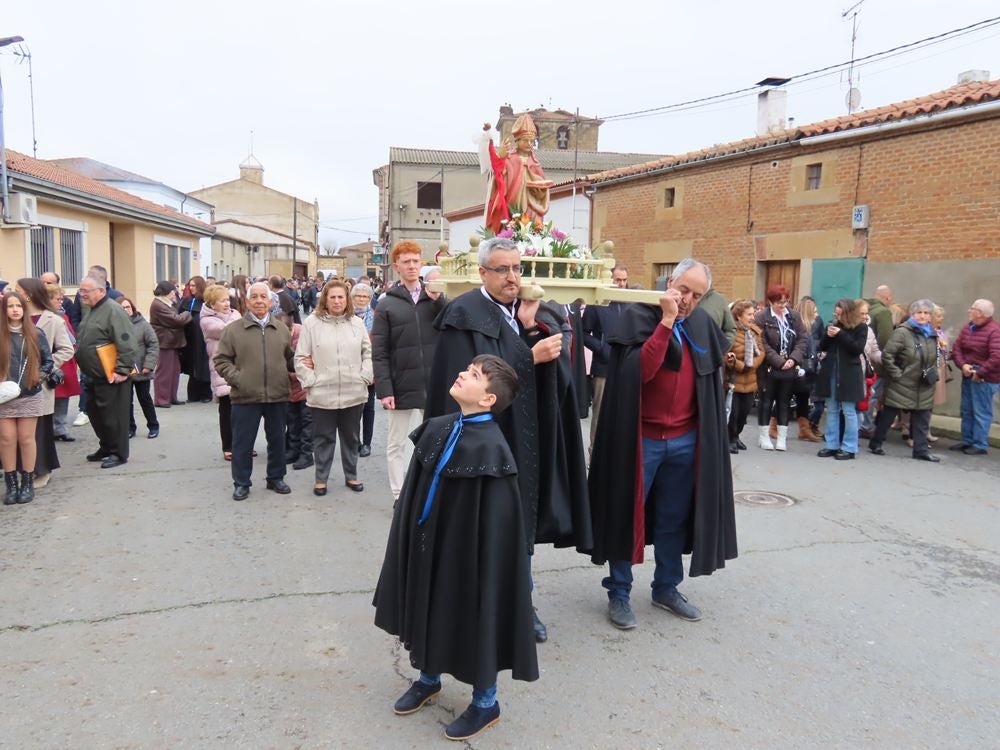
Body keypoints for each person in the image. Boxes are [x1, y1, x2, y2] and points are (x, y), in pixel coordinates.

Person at [426, 236, 592, 644]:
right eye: (502, 269)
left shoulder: (531, 314)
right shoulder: (462, 314)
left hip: (523, 441)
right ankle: (474, 609)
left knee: (519, 525)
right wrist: (529, 355)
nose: (512, 277)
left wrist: (534, 331)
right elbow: (468, 380)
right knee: (481, 528)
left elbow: (557, 381)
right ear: (483, 273)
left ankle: (522, 605)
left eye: (517, 268)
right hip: (480, 445)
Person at [373, 355, 536, 742]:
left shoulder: (494, 451)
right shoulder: (439, 428)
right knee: (428, 602)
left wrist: (480, 564)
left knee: (473, 613)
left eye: (475, 375)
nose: (463, 373)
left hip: (469, 554)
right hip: (429, 541)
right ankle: (428, 677)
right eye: (467, 368)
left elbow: (498, 527)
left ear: (488, 400)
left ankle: (486, 702)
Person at [589, 259, 737, 630]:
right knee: (626, 514)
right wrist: (667, 322)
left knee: (674, 518)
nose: (687, 300)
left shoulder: (703, 324)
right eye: (683, 289)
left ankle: (666, 587)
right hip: (640, 439)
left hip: (686, 440)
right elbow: (640, 373)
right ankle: (619, 591)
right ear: (670, 281)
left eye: (697, 295)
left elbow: (710, 381)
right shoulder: (640, 315)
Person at [371, 241, 445, 501]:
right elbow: (379, 352)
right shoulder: (386, 305)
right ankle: (399, 495)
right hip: (401, 384)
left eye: (416, 261)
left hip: (433, 382)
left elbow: (450, 329)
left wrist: (440, 301)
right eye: (406, 262)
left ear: (421, 264)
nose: (412, 266)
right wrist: (385, 390)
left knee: (434, 440)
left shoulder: (434, 297)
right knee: (397, 443)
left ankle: (429, 492)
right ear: (396, 266)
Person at [213, 282, 295, 501]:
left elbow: (289, 359)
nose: (259, 300)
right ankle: (241, 482)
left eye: (263, 297)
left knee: (277, 440)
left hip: (277, 394)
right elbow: (221, 360)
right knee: (243, 442)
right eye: (254, 297)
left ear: (270, 302)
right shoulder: (234, 330)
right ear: (247, 302)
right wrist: (238, 378)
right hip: (245, 395)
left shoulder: (281, 330)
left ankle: (275, 477)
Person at [295, 279, 372, 496]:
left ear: (346, 299)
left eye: (341, 297)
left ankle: (351, 475)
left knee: (351, 437)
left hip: (353, 391)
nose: (337, 301)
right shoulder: (312, 323)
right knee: (323, 438)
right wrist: (311, 381)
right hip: (323, 392)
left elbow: (368, 353)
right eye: (333, 297)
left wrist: (364, 376)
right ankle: (321, 479)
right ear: (325, 299)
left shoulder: (356, 323)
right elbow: (301, 357)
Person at [74, 275, 138, 469]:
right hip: (93, 375)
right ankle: (107, 446)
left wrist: (122, 369)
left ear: (100, 291)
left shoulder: (113, 310)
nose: (81, 295)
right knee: (96, 414)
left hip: (111, 375)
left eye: (86, 291)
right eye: (81, 291)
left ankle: (118, 453)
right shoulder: (93, 309)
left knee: (113, 417)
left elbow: (127, 342)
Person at [17, 278, 74, 488]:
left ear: (29, 294)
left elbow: (67, 349)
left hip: (39, 383)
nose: (15, 295)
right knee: (18, 429)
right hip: (15, 383)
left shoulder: (53, 320)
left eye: (18, 291)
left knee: (40, 430)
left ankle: (42, 470)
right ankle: (22, 469)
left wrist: (46, 364)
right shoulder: (14, 316)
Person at [868, 299, 942, 462]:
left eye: (926, 313)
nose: (923, 316)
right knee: (888, 415)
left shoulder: (931, 333)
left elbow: (933, 356)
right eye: (919, 313)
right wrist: (897, 375)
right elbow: (888, 355)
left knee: (923, 417)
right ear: (912, 314)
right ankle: (876, 442)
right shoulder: (902, 332)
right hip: (901, 382)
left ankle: (921, 450)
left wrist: (933, 372)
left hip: (923, 384)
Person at [0, 290, 54, 504]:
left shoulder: (36, 333)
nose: (15, 310)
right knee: (6, 439)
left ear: (24, 309)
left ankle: (27, 482)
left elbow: (48, 363)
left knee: (25, 438)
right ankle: (11, 484)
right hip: (4, 396)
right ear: (4, 309)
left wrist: (36, 378)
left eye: (18, 306)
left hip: (29, 394)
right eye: (10, 306)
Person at [582, 264, 629, 453]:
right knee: (600, 414)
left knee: (622, 414)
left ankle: (616, 454)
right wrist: (602, 348)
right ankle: (595, 453)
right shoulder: (597, 305)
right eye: (618, 280)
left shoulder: (630, 304)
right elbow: (584, 333)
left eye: (625, 280)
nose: (622, 284)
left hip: (627, 367)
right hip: (603, 368)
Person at [754, 285, 807, 451]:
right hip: (769, 367)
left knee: (784, 402)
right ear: (771, 302)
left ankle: (782, 438)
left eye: (786, 302)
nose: (783, 305)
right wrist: (778, 361)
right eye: (779, 302)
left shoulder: (794, 316)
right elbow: (761, 342)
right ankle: (763, 437)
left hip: (789, 366)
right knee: (766, 401)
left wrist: (793, 359)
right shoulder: (762, 317)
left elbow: (802, 339)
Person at [814, 298, 868, 460]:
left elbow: (856, 349)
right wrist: (829, 335)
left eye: (840, 314)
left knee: (849, 411)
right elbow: (822, 346)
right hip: (831, 371)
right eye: (835, 314)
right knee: (831, 409)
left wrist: (841, 334)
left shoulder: (861, 328)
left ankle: (849, 447)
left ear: (848, 313)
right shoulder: (833, 325)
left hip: (849, 374)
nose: (837, 317)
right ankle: (831, 444)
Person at [481, 115, 554, 233]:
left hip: (531, 207)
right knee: (508, 228)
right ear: (517, 140)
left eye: (532, 141)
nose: (529, 143)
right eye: (526, 140)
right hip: (510, 206)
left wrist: (539, 189)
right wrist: (501, 159)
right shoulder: (509, 158)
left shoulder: (536, 164)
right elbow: (496, 179)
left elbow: (543, 191)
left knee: (532, 229)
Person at [950, 298, 1000, 455]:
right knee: (967, 410)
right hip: (969, 372)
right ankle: (968, 440)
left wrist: (980, 372)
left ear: (981, 314)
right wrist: (963, 365)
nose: (969, 311)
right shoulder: (969, 327)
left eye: (972, 308)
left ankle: (980, 444)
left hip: (985, 378)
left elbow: (996, 356)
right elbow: (957, 348)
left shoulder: (994, 331)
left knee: (981, 411)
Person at [200, 284, 243, 461]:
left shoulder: (235, 314)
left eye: (227, 300)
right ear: (212, 303)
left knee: (242, 411)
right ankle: (228, 446)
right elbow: (228, 331)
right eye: (222, 301)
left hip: (240, 365)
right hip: (221, 369)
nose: (227, 304)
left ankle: (242, 444)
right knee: (227, 410)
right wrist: (240, 323)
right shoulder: (207, 320)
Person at [116, 297, 160, 439]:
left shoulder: (143, 325)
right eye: (122, 307)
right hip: (124, 370)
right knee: (126, 402)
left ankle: (153, 426)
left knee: (145, 399)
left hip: (141, 370)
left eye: (128, 307)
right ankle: (130, 428)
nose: (126, 310)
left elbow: (153, 345)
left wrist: (148, 365)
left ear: (133, 308)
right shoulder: (114, 325)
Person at [725, 300, 765, 453]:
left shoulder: (754, 332)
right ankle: (729, 439)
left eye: (753, 313)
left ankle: (736, 436)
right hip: (734, 381)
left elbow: (761, 352)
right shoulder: (731, 332)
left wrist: (752, 364)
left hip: (751, 381)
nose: (752, 317)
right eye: (749, 314)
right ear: (739, 316)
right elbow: (725, 356)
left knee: (744, 413)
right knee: (733, 413)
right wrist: (741, 365)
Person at [46, 283, 81, 443]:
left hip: (66, 361)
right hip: (55, 360)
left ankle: (60, 428)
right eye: (57, 299)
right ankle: (49, 429)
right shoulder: (46, 317)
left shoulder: (63, 315)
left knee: (63, 397)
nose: (61, 302)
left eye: (61, 299)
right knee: (50, 396)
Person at [149, 281, 192, 407]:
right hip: (164, 342)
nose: (175, 293)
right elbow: (176, 320)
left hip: (171, 341)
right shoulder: (158, 305)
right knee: (164, 371)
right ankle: (161, 399)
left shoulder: (165, 303)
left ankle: (171, 397)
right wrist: (187, 313)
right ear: (167, 292)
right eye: (173, 291)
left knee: (174, 370)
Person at [281, 312, 313, 471]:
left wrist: (289, 375)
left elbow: (309, 363)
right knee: (292, 421)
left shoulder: (303, 336)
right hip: (289, 389)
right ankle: (294, 450)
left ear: (291, 327)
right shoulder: (279, 337)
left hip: (305, 387)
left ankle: (306, 454)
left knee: (307, 423)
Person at [351, 283, 377, 457]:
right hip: (350, 368)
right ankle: (355, 442)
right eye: (358, 296)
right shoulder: (346, 316)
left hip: (370, 368)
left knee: (368, 407)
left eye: (365, 296)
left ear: (370, 299)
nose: (361, 299)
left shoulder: (376, 317)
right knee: (352, 408)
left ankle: (366, 443)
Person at [793, 296, 823, 442]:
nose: (817, 315)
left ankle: (804, 430)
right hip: (798, 367)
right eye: (815, 311)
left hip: (808, 368)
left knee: (803, 398)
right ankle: (773, 428)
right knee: (785, 398)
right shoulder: (799, 328)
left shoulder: (811, 328)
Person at [180, 276, 213, 403]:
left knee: (203, 364)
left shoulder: (206, 301)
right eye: (190, 285)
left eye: (194, 285)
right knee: (192, 364)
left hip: (202, 338)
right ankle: (193, 394)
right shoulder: (186, 301)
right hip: (190, 338)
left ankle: (205, 393)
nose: (191, 288)